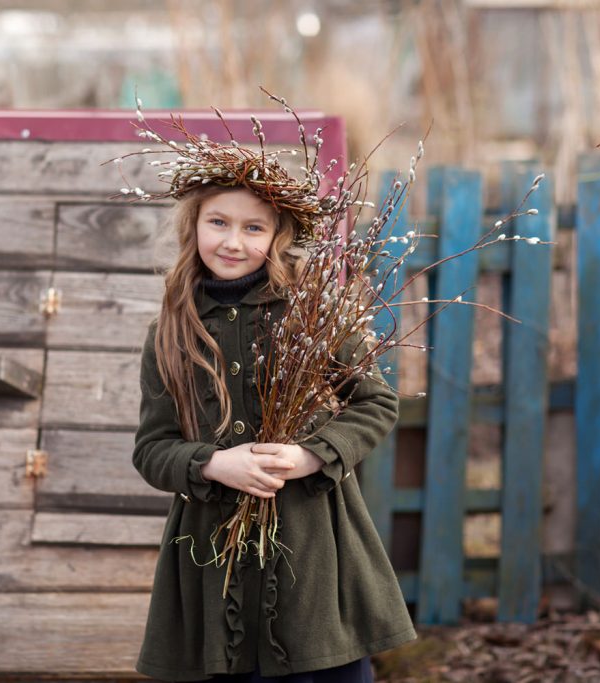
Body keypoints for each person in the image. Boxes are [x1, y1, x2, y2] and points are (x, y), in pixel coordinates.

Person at [128, 112, 416, 682]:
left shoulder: (310, 312)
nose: (233, 241)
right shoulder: (172, 331)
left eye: (254, 228)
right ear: (193, 225)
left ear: (279, 236)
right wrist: (213, 463)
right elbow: (151, 448)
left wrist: (312, 454)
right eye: (218, 222)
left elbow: (376, 402)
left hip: (311, 551)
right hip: (211, 563)